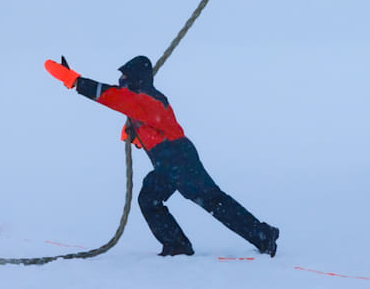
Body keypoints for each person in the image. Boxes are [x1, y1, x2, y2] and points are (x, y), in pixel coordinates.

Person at [44, 54, 279, 258]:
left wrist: (74, 81)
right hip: (166, 162)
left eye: (125, 78)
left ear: (137, 79)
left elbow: (109, 96)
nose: (121, 81)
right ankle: (177, 245)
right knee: (149, 199)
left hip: (179, 159)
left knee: (213, 201)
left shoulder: (145, 99)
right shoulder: (140, 101)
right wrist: (135, 135)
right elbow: (146, 123)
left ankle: (263, 235)